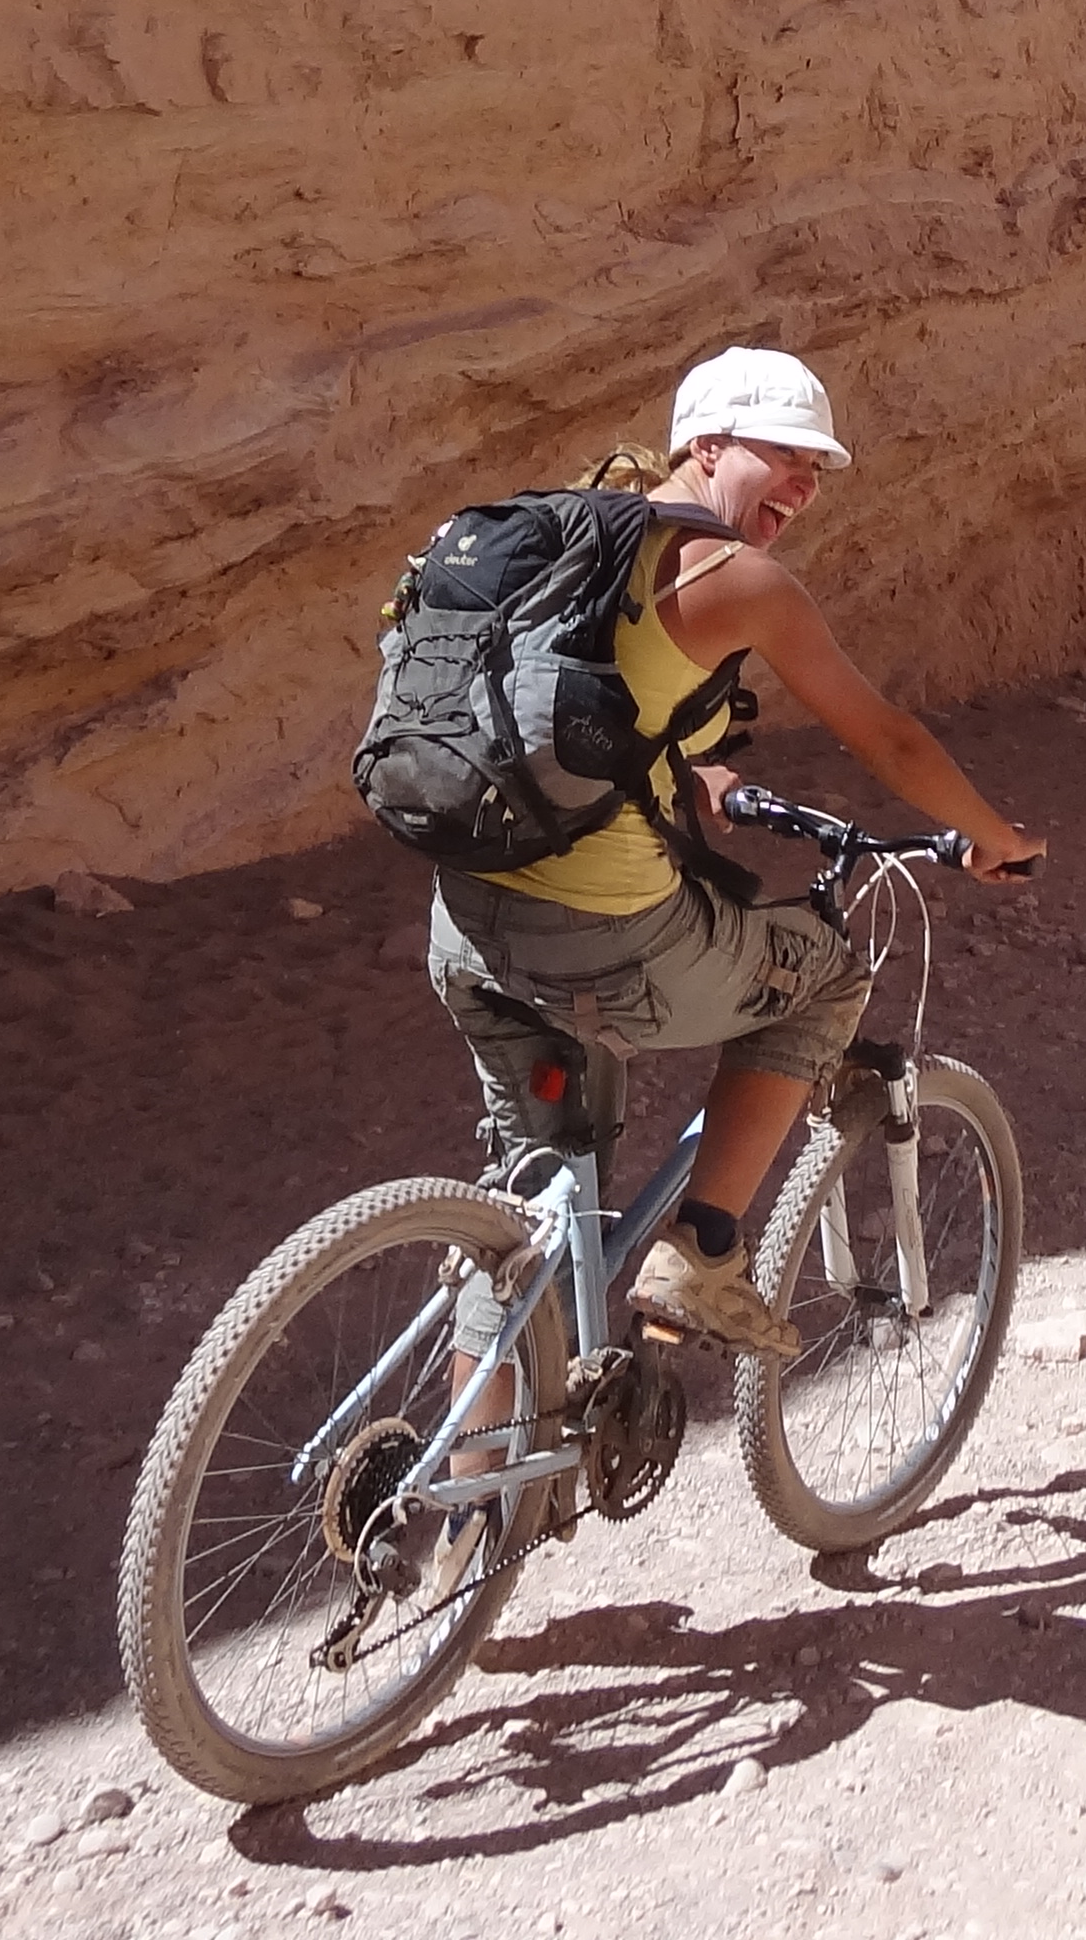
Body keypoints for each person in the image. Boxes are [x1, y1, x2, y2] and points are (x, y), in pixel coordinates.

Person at [422, 347, 1044, 1361]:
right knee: (828, 977)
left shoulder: (565, 540)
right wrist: (993, 838)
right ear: (705, 445)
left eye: (818, 468)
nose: (803, 483)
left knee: (528, 1223)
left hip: (468, 922)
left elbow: (569, 709)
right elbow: (889, 739)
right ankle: (704, 1251)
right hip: (602, 940)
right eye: (783, 453)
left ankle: (473, 1511)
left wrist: (701, 774)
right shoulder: (736, 578)